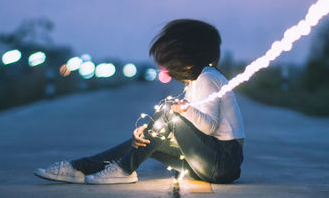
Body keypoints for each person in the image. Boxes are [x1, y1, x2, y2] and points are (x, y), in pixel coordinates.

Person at [34, 19, 245, 185]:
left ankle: (122, 170)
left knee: (167, 110)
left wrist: (183, 110)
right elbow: (193, 129)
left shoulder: (207, 76)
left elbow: (208, 127)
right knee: (146, 137)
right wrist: (151, 131)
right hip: (214, 162)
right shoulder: (198, 79)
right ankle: (80, 169)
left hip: (222, 163)